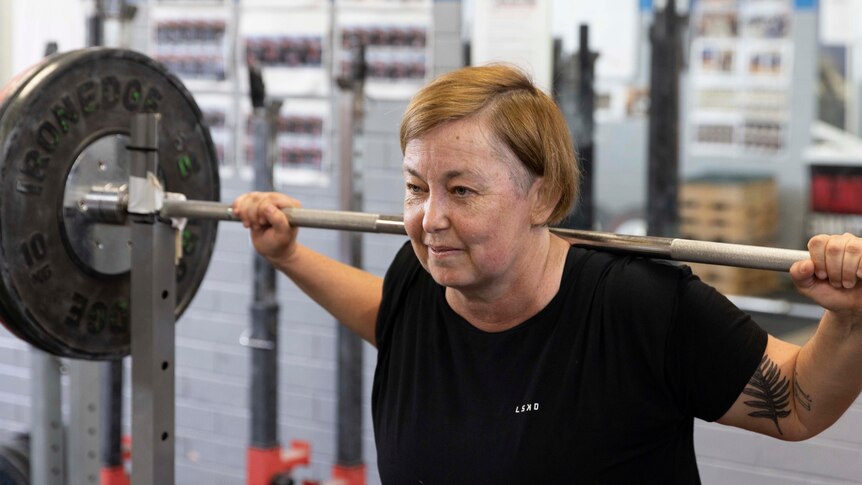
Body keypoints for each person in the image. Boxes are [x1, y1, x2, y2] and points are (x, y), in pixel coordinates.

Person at [233, 64, 862, 483]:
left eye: (462, 190)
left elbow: (799, 405)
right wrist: (289, 254)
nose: (430, 220)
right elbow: (385, 316)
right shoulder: (418, 283)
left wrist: (851, 313)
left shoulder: (638, 307)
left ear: (544, 195)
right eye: (416, 188)